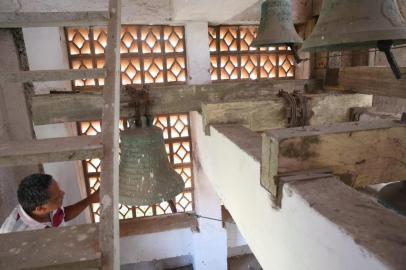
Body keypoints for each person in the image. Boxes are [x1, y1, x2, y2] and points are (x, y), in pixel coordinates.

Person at [0, 173, 99, 233]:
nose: (63, 194)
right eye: (57, 197)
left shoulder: (43, 206)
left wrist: (91, 199)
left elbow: (62, 216)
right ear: (40, 209)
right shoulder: (15, 234)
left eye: (59, 190)